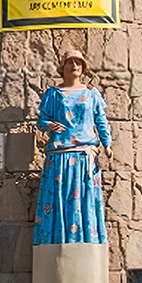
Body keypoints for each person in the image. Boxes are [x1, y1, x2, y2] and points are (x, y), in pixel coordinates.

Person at [34, 49, 111, 244]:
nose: (75, 66)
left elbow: (100, 119)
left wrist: (107, 143)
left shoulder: (91, 93)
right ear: (62, 67)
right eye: (70, 62)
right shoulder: (53, 94)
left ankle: (86, 243)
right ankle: (57, 243)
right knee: (58, 200)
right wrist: (49, 124)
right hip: (59, 156)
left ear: (83, 68)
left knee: (84, 201)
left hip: (85, 157)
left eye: (78, 62)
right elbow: (41, 120)